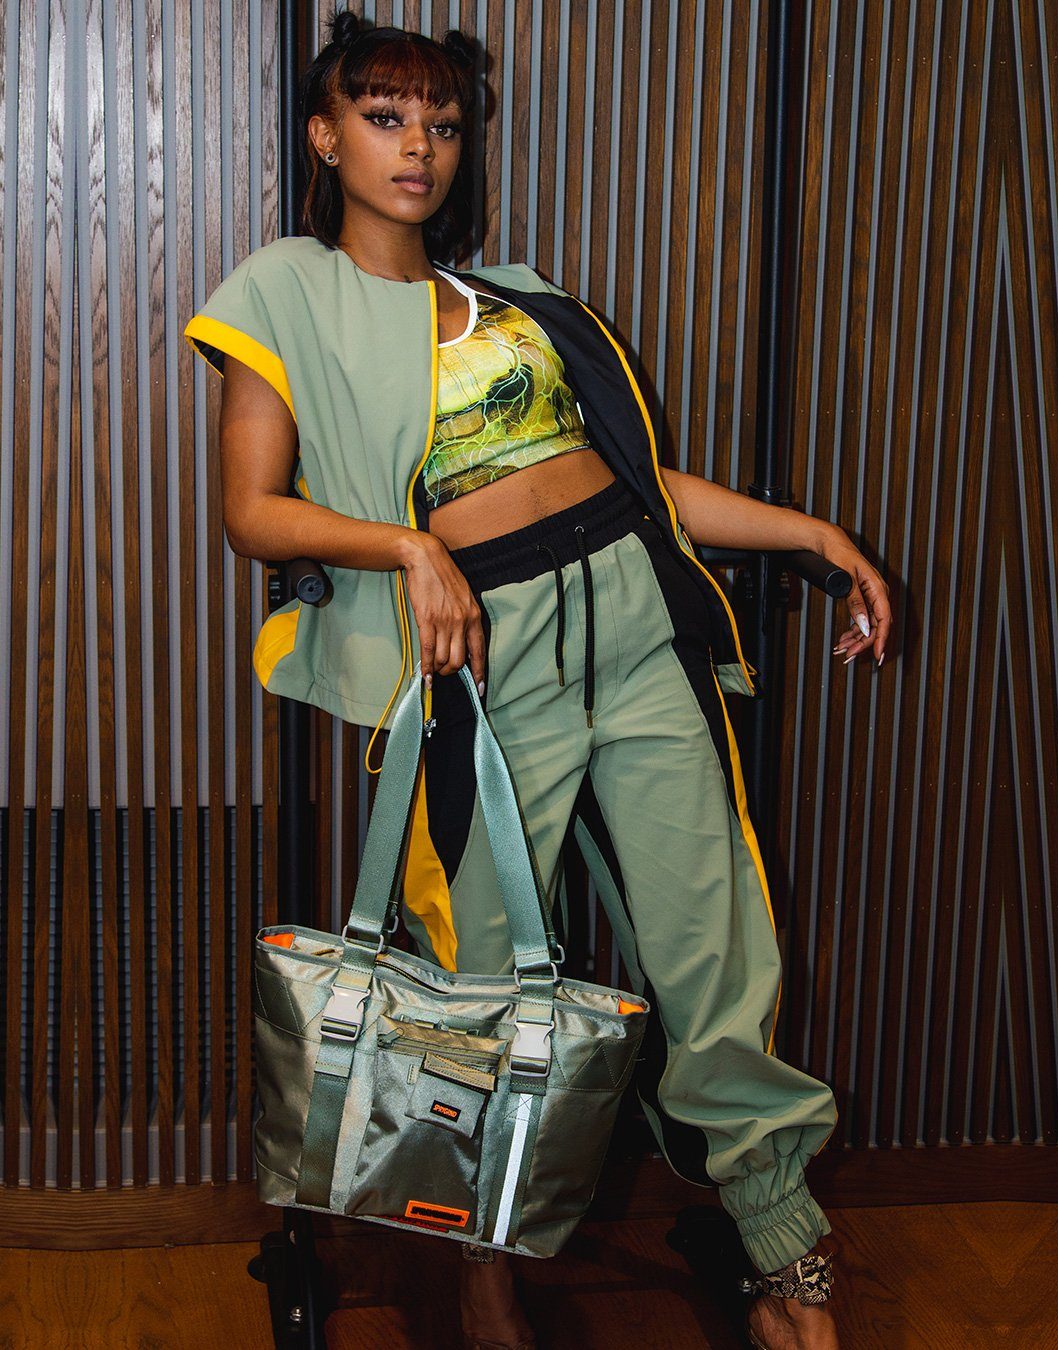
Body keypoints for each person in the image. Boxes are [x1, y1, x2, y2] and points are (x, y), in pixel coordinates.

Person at [186, 18, 892, 1350]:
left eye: (442, 124)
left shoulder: (521, 298)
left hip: (633, 617)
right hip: (484, 650)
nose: (419, 147)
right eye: (385, 118)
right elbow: (251, 511)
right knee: (482, 981)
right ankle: (486, 1265)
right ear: (326, 137)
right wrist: (410, 549)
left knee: (714, 945)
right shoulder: (285, 289)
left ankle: (783, 1247)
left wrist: (812, 533)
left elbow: (638, 486)